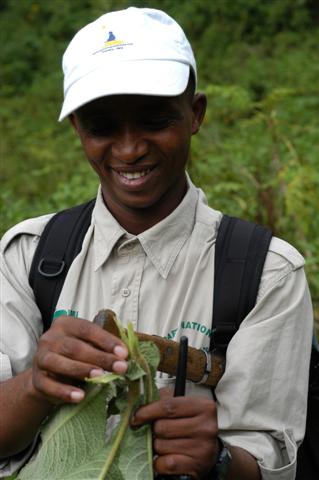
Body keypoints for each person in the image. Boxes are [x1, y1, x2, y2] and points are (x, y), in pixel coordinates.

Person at [0, 7, 313, 480]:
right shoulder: (27, 256)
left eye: (155, 119)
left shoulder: (266, 273)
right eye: (102, 127)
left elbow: (273, 460)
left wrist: (219, 459)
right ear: (78, 131)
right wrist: (37, 384)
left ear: (195, 115)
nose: (129, 149)